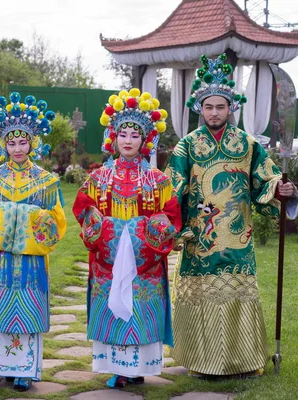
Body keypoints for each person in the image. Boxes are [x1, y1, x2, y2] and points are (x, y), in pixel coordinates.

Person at [166, 54, 298, 378]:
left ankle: (241, 362)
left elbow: (266, 180)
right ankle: (202, 362)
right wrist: (171, 227)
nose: (215, 113)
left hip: (238, 242)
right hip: (200, 241)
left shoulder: (248, 145)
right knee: (203, 298)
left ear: (231, 108)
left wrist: (279, 190)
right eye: (209, 107)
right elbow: (171, 191)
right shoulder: (186, 147)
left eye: (221, 107)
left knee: (238, 295)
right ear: (200, 108)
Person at [72, 88, 181, 388]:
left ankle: (140, 366)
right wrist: (108, 233)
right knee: (114, 305)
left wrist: (136, 235)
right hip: (107, 260)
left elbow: (171, 216)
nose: (128, 140)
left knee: (142, 307)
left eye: (135, 135)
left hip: (145, 260)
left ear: (145, 140)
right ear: (114, 137)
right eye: (123, 134)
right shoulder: (98, 178)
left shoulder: (158, 180)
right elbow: (83, 209)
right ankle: (119, 368)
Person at [0, 92, 67, 392]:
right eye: (11, 142)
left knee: (27, 307)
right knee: (0, 306)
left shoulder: (47, 181)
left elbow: (56, 222)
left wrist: (22, 217)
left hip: (31, 263)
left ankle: (25, 370)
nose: (18, 148)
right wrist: (6, 215)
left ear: (33, 142)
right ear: (3, 144)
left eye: (23, 142)